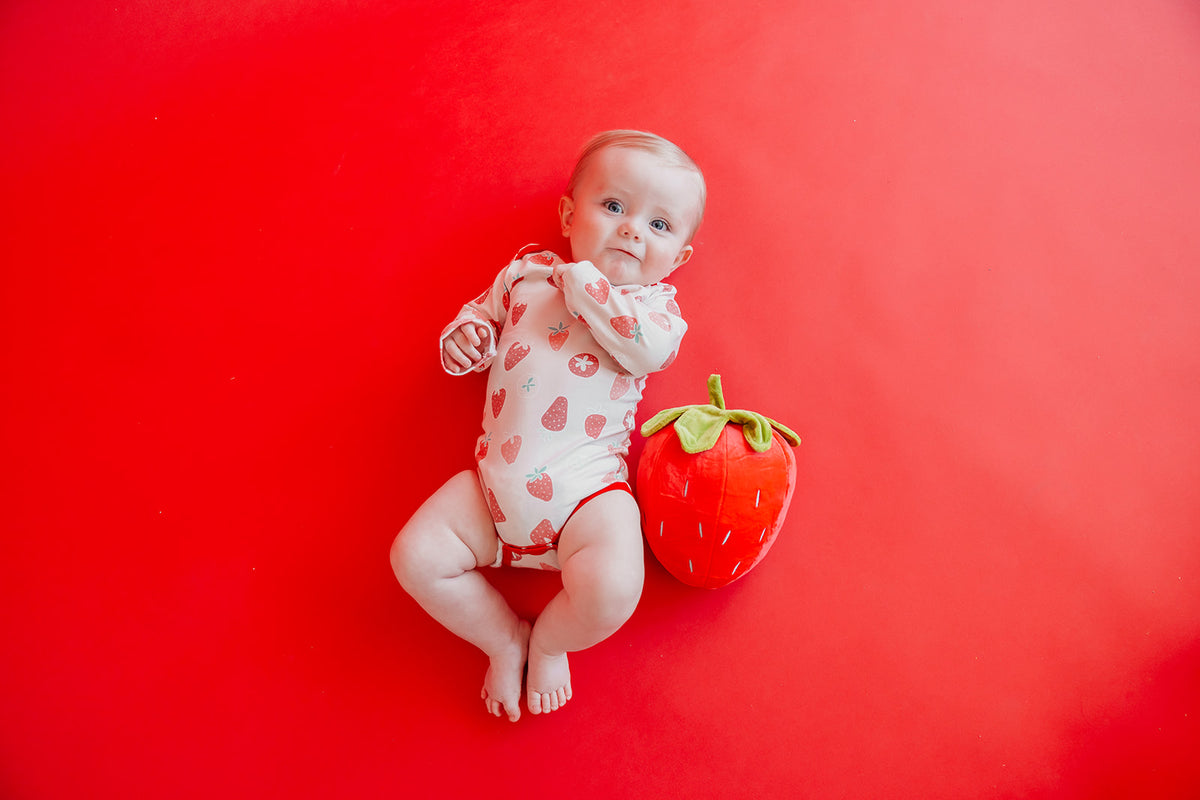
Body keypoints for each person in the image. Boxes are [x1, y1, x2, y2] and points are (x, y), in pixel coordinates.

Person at [390, 130, 706, 721]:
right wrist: (466, 340)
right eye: (614, 207)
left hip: (588, 495)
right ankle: (502, 638)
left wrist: (586, 280)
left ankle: (552, 641)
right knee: (415, 556)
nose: (633, 229)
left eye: (660, 226)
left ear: (680, 257)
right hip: (493, 492)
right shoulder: (525, 274)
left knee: (613, 587)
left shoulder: (655, 308)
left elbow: (645, 350)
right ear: (568, 213)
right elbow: (477, 319)